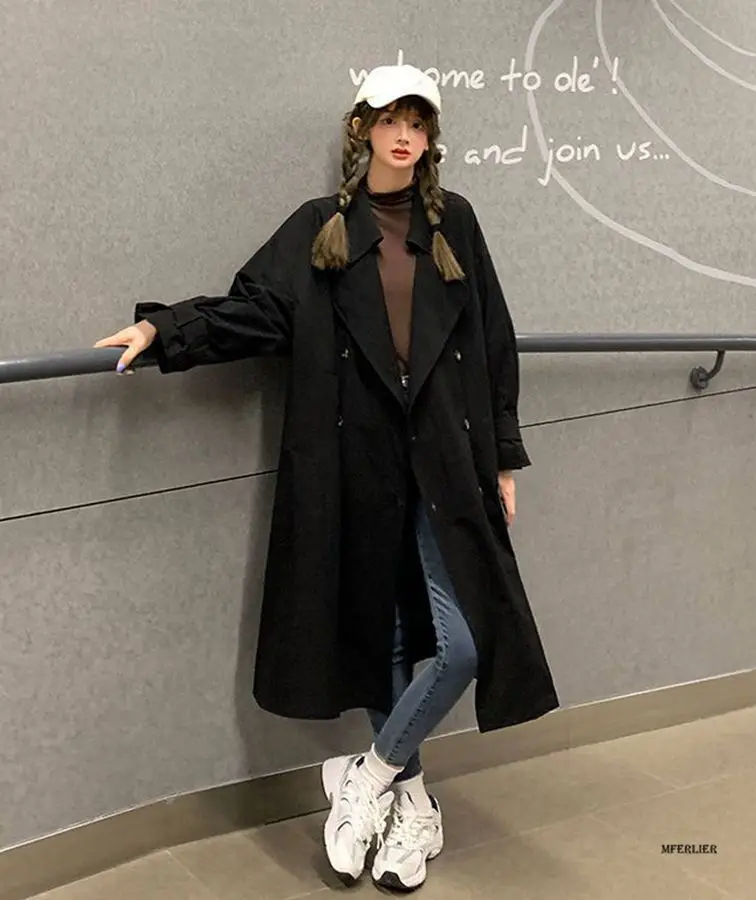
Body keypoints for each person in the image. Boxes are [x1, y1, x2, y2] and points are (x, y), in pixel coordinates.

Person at [95, 63, 559, 892]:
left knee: (463, 643)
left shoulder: (455, 222)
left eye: (417, 122)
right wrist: (164, 331)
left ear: (430, 137)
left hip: (445, 461)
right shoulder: (323, 228)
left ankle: (366, 777)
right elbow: (253, 310)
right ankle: (414, 808)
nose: (404, 136)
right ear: (363, 130)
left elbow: (492, 341)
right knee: (385, 635)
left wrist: (503, 458)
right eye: (390, 120)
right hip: (356, 464)